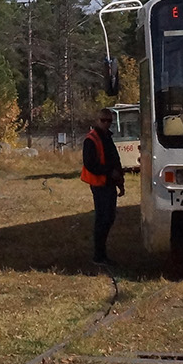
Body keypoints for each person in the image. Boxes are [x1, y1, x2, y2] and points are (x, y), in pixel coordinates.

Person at [82, 107, 126, 266]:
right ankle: (98, 256)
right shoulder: (91, 139)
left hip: (109, 184)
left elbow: (116, 160)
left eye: (109, 121)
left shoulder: (107, 137)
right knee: (103, 219)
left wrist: (120, 182)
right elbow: (90, 164)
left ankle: (101, 254)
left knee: (109, 218)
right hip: (99, 184)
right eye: (103, 120)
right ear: (97, 120)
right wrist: (109, 173)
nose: (106, 124)